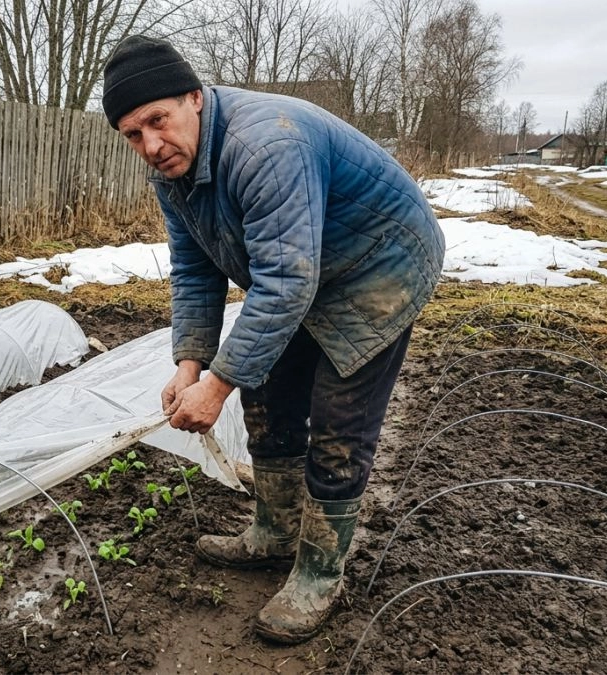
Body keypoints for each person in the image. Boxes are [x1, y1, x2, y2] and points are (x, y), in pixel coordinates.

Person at [101, 35, 445, 644]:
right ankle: (276, 531)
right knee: (265, 391)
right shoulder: (172, 170)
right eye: (133, 134)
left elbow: (286, 282)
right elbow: (195, 267)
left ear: (194, 98)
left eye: (158, 121)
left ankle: (319, 572)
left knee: (339, 422)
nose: (150, 145)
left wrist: (219, 385)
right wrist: (190, 365)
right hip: (306, 266)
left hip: (378, 264)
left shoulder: (266, 144)